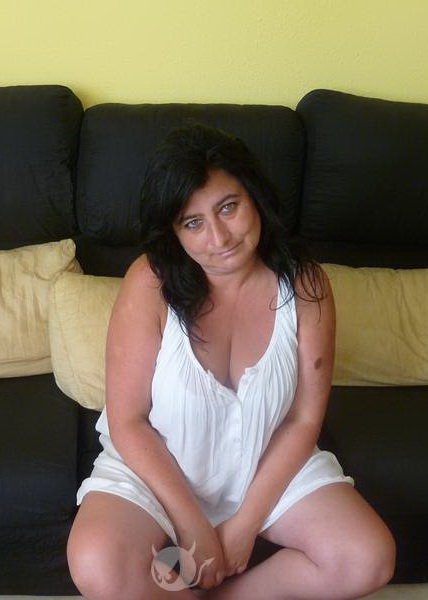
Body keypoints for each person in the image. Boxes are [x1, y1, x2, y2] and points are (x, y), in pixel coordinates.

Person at [67, 123, 396, 600]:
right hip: (159, 466)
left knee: (367, 557)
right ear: (173, 231)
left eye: (228, 207)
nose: (218, 237)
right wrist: (192, 524)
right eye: (192, 222)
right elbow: (128, 420)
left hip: (265, 463)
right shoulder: (150, 281)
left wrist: (244, 525)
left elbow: (304, 420)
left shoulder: (306, 285)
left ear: (254, 198)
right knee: (98, 563)